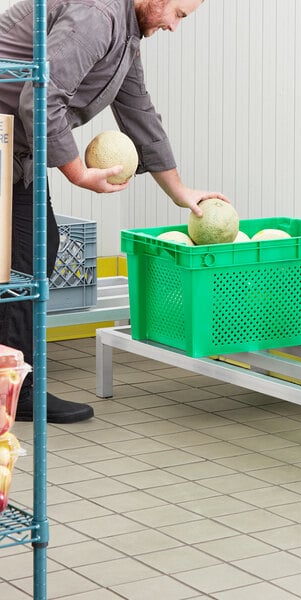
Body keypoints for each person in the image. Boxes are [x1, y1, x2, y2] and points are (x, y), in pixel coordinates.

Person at [0, 0, 229, 423]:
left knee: (33, 254)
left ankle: (14, 388)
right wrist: (78, 173)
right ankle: (14, 389)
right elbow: (41, 96)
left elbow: (138, 111)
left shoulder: (125, 34)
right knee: (24, 261)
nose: (175, 28)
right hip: (3, 143)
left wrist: (181, 192)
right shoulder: (98, 15)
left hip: (17, 151)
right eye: (177, 14)